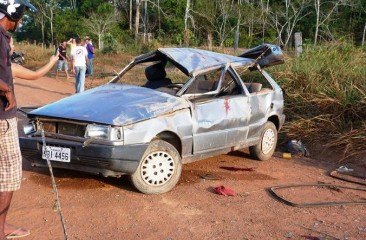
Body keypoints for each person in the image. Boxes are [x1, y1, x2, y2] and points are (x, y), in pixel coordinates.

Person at [0, 1, 58, 239]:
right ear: (11, 13)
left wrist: (54, 60)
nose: (21, 22)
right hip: (2, 120)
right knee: (10, 174)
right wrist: (6, 90)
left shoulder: (4, 45)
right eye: (20, 16)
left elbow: (34, 75)